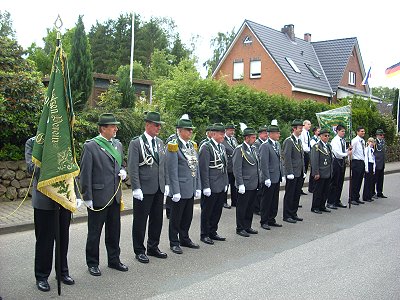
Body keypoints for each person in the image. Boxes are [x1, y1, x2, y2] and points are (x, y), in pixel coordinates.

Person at [26, 137, 77, 292]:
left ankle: (62, 272)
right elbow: (31, 168)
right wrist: (51, 162)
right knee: (44, 240)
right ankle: (41, 276)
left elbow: (72, 169)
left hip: (63, 198)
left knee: (63, 237)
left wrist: (76, 196)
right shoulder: (33, 142)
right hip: (44, 199)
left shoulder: (65, 140)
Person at [80, 113, 128, 276]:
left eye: (115, 126)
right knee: (95, 232)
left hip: (115, 196)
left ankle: (114, 260)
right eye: (113, 126)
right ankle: (92, 263)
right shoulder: (91, 146)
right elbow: (85, 173)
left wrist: (123, 171)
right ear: (103, 128)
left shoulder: (118, 145)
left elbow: (121, 164)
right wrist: (87, 197)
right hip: (99, 197)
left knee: (114, 231)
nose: (116, 129)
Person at [128, 111, 168, 263]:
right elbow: (133, 167)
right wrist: (136, 187)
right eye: (156, 125)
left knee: (157, 219)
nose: (158, 128)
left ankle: (153, 246)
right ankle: (139, 250)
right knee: (140, 220)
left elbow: (163, 166)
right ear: (147, 125)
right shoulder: (136, 143)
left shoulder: (159, 143)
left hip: (158, 187)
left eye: (159, 125)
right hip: (144, 189)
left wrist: (167, 184)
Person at [166, 118, 201, 254]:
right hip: (179, 188)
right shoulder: (173, 146)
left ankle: (184, 238)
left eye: (191, 130)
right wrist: (174, 190)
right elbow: (172, 170)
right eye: (188, 130)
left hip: (190, 187)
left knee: (188, 215)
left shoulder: (192, 145)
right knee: (176, 217)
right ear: (179, 131)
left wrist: (197, 186)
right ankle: (174, 241)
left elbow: (195, 168)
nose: (190, 132)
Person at [199, 123, 228, 245]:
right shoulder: (206, 147)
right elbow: (203, 168)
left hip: (220, 184)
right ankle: (204, 234)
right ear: (214, 134)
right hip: (210, 184)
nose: (223, 136)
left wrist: (226, 182)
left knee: (217, 210)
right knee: (207, 210)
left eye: (223, 134)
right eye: (221, 134)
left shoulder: (221, 147)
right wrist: (205, 186)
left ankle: (213, 231)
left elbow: (225, 166)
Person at [233, 127, 261, 237]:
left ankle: (247, 226)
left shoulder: (253, 149)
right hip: (244, 183)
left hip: (253, 183)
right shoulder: (239, 149)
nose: (255, 139)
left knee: (250, 206)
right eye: (253, 137)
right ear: (247, 138)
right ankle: (240, 227)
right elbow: (237, 168)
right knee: (242, 207)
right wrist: (240, 184)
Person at [259, 125, 283, 230]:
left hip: (276, 176)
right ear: (271, 134)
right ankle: (264, 221)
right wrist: (266, 177)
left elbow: (279, 160)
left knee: (274, 199)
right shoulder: (265, 145)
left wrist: (282, 173)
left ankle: (271, 219)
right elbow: (263, 163)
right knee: (266, 200)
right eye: (277, 133)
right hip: (269, 177)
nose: (279, 135)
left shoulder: (277, 144)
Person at [282, 119, 305, 223]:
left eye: (302, 128)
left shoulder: (299, 141)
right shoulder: (289, 141)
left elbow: (301, 157)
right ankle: (287, 215)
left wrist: (303, 170)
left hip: (299, 172)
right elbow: (287, 157)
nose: (301, 130)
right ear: (294, 128)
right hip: (292, 173)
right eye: (300, 128)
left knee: (296, 194)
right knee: (290, 194)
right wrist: (289, 172)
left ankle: (294, 213)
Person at [327, 124, 351, 209]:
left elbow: (343, 150)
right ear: (337, 131)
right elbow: (337, 152)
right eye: (342, 131)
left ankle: (337, 200)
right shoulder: (335, 140)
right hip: (336, 161)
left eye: (344, 131)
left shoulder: (343, 140)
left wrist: (348, 150)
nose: (343, 133)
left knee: (340, 181)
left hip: (342, 161)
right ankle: (330, 201)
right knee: (334, 182)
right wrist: (346, 154)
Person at [310, 128, 333, 214]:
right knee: (318, 191)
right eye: (325, 136)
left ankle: (322, 205)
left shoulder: (328, 146)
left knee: (325, 190)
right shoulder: (316, 146)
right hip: (320, 172)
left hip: (328, 171)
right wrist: (316, 172)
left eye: (328, 136)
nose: (327, 137)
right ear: (320, 136)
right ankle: (315, 207)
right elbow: (314, 160)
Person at [221, 123, 238, 208]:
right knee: (226, 185)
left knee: (234, 185)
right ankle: (224, 202)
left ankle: (234, 201)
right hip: (227, 166)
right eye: (231, 130)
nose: (232, 132)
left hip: (234, 166)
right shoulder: (223, 140)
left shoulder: (234, 139)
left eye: (233, 130)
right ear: (226, 131)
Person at [253, 125, 268, 215]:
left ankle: (259, 207)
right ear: (260, 134)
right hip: (258, 169)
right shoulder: (257, 143)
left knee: (261, 191)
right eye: (265, 133)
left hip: (261, 169)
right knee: (258, 191)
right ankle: (256, 208)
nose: (266, 134)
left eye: (267, 133)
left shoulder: (265, 143)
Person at [350, 126, 366, 205]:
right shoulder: (355, 141)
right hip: (356, 162)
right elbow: (352, 152)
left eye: (364, 131)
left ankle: (357, 197)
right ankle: (352, 197)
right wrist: (352, 161)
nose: (363, 133)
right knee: (355, 181)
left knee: (359, 180)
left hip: (362, 162)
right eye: (361, 131)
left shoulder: (362, 141)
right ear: (357, 132)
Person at [299, 120, 312, 196]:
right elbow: (303, 144)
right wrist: (309, 150)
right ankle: (299, 188)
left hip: (307, 152)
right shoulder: (303, 133)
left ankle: (300, 187)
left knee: (305, 171)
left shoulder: (307, 133)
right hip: (304, 152)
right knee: (302, 171)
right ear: (304, 125)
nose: (309, 125)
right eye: (308, 124)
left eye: (310, 124)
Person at [374, 129, 387, 198]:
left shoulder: (383, 142)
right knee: (374, 179)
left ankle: (379, 192)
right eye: (381, 135)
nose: (382, 136)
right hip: (376, 163)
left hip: (382, 163)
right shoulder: (374, 142)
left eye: (383, 135)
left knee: (380, 179)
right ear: (377, 135)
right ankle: (372, 193)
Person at [362, 137, 376, 202]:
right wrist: (366, 168)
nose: (372, 143)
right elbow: (366, 159)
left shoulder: (372, 150)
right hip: (368, 165)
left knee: (371, 181)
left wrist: (374, 169)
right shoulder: (366, 149)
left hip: (372, 164)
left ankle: (369, 196)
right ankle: (366, 196)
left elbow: (373, 159)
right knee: (367, 182)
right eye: (370, 142)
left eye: (372, 142)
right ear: (368, 142)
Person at [308, 126, 320, 193]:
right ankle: (311, 187)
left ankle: (314, 186)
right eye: (318, 131)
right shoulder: (313, 139)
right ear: (315, 132)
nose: (319, 132)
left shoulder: (318, 138)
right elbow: (314, 147)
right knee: (313, 172)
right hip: (313, 156)